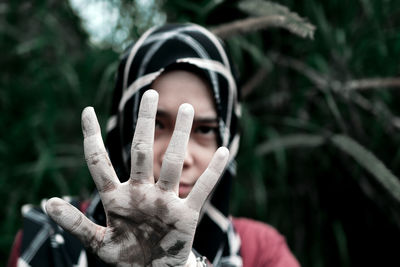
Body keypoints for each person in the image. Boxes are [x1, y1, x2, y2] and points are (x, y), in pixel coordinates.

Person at [8, 23, 300, 267]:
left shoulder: (261, 251)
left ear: (228, 138)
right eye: (157, 124)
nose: (181, 156)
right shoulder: (52, 241)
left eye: (205, 129)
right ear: (124, 127)